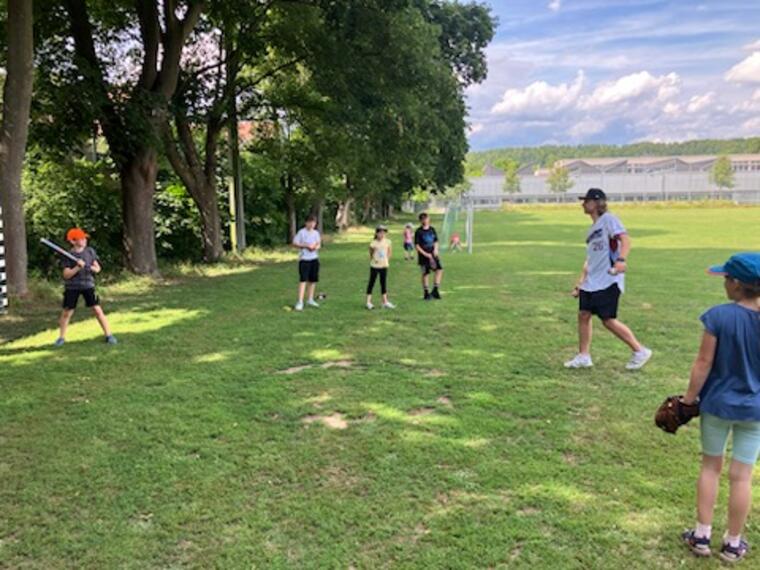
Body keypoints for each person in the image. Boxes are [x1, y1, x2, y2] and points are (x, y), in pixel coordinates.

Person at [680, 252, 760, 563]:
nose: (724, 283)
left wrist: (689, 400)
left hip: (717, 405)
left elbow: (703, 363)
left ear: (737, 284)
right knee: (742, 475)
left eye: (726, 278)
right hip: (754, 411)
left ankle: (702, 534)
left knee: (711, 466)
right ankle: (733, 542)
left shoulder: (718, 316)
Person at [565, 188, 652, 369]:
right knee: (583, 315)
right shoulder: (591, 231)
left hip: (608, 280)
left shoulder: (609, 220)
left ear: (597, 202)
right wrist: (581, 283)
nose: (583, 204)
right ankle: (584, 356)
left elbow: (625, 239)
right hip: (592, 282)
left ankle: (640, 350)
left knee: (607, 319)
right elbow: (590, 260)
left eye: (586, 200)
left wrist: (621, 260)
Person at [54, 228, 117, 346]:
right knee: (67, 312)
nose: (84, 240)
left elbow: (97, 268)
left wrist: (91, 268)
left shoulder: (90, 252)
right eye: (81, 239)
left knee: (97, 310)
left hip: (88, 285)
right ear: (73, 241)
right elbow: (66, 275)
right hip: (72, 287)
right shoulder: (68, 255)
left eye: (84, 238)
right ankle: (61, 338)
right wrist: (77, 267)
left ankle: (109, 335)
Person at [292, 215, 321, 311]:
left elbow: (318, 244)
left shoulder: (316, 233)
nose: (312, 224)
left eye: (314, 223)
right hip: (304, 259)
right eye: (310, 222)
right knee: (303, 280)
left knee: (313, 280)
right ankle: (300, 301)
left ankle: (310, 299)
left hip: (314, 259)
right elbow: (295, 243)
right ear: (306, 223)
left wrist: (314, 247)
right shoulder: (301, 232)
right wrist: (305, 245)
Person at [366, 225, 396, 310]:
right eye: (380, 233)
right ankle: (368, 302)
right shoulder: (373, 243)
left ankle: (385, 301)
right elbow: (371, 253)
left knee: (383, 283)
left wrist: (386, 260)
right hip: (375, 266)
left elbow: (389, 252)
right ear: (376, 233)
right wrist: (374, 259)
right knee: (371, 283)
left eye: (384, 233)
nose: (382, 234)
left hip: (384, 265)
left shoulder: (388, 242)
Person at [415, 212, 443, 301]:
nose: (425, 220)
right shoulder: (418, 231)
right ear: (420, 220)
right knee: (425, 273)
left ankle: (435, 290)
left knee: (439, 269)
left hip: (433, 254)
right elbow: (417, 246)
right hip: (424, 256)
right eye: (423, 219)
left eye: (426, 218)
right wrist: (425, 254)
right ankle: (426, 293)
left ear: (428, 219)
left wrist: (436, 250)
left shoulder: (432, 229)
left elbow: (436, 241)